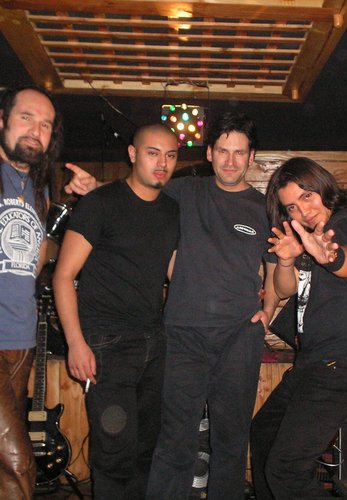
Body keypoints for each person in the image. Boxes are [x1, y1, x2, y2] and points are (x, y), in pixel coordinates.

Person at [65, 111, 280, 500]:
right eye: (223, 151)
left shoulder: (264, 208)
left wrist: (271, 308)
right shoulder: (183, 192)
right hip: (180, 335)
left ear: (252, 158)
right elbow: (136, 194)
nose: (231, 161)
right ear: (209, 153)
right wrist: (96, 188)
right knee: (174, 439)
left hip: (238, 337)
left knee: (232, 440)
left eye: (240, 152)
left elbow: (277, 271)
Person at [52, 124, 179, 499]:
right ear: (133, 154)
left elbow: (175, 272)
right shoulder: (100, 203)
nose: (162, 163)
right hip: (108, 344)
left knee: (145, 451)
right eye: (153, 153)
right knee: (114, 454)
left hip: (154, 342)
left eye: (170, 155)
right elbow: (63, 276)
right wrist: (76, 343)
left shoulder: (172, 210)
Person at [250, 157, 347, 499]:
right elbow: (284, 289)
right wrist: (285, 260)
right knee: (264, 432)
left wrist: (330, 257)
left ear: (323, 187)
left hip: (340, 367)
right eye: (292, 207)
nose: (303, 212)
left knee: (286, 469)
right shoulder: (311, 238)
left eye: (307, 197)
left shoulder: (345, 223)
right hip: (314, 365)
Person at [0, 85, 62, 499]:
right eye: (26, 117)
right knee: (18, 463)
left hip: (21, 341)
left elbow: (34, 264)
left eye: (45, 124)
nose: (35, 131)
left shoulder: (38, 191)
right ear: (2, 119)